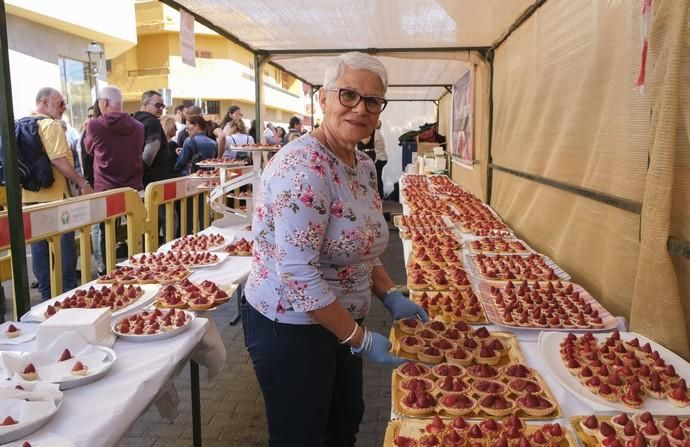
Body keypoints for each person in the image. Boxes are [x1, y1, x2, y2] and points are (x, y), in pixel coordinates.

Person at [243, 52, 428, 446]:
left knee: (344, 420)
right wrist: (359, 340)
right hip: (290, 327)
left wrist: (389, 293)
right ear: (323, 99)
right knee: (304, 434)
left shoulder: (360, 164)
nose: (360, 108)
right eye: (348, 95)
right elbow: (297, 274)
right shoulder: (304, 169)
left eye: (373, 101)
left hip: (340, 321)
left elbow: (359, 243)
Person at [23, 87, 94, 301]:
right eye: (60, 103)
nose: (64, 108)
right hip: (55, 197)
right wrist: (82, 182)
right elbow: (58, 160)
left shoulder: (22, 123)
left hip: (29, 196)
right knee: (65, 247)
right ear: (44, 103)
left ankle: (46, 295)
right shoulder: (50, 125)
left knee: (39, 247)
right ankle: (68, 293)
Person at [85, 86, 144, 192]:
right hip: (134, 190)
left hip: (106, 190)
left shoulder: (94, 125)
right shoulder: (139, 126)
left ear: (105, 103)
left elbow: (88, 149)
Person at [133, 90, 175, 187]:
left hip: (141, 181)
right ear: (145, 104)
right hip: (155, 181)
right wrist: (140, 171)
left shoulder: (133, 121)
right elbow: (150, 152)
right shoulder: (152, 122)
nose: (161, 109)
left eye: (162, 106)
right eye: (157, 105)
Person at [357, 120, 387, 197]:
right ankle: (379, 196)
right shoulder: (375, 133)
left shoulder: (375, 133)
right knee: (377, 177)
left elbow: (365, 141)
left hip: (379, 158)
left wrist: (355, 135)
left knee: (376, 178)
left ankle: (379, 196)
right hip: (380, 158)